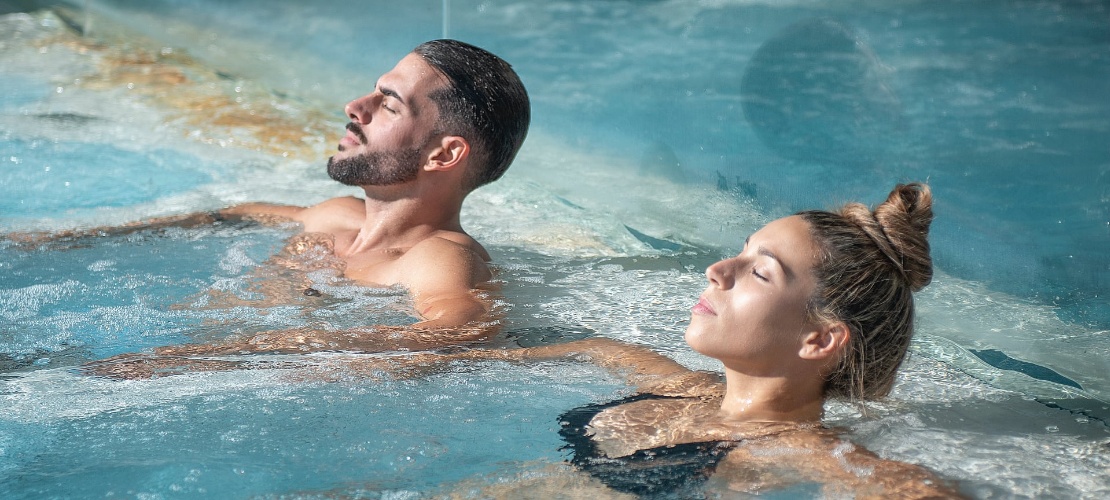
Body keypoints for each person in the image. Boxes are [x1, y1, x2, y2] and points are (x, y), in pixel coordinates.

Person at [87, 183, 963, 496]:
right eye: (737, 251)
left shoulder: (798, 450)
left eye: (761, 271)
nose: (717, 269)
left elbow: (910, 490)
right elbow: (440, 353)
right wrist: (200, 360)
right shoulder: (644, 374)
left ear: (819, 342)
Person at [17, 39, 531, 352]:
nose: (356, 105)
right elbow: (237, 215)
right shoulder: (336, 216)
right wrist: (63, 240)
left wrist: (206, 360)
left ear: (443, 156)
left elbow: (459, 332)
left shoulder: (437, 257)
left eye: (389, 105)